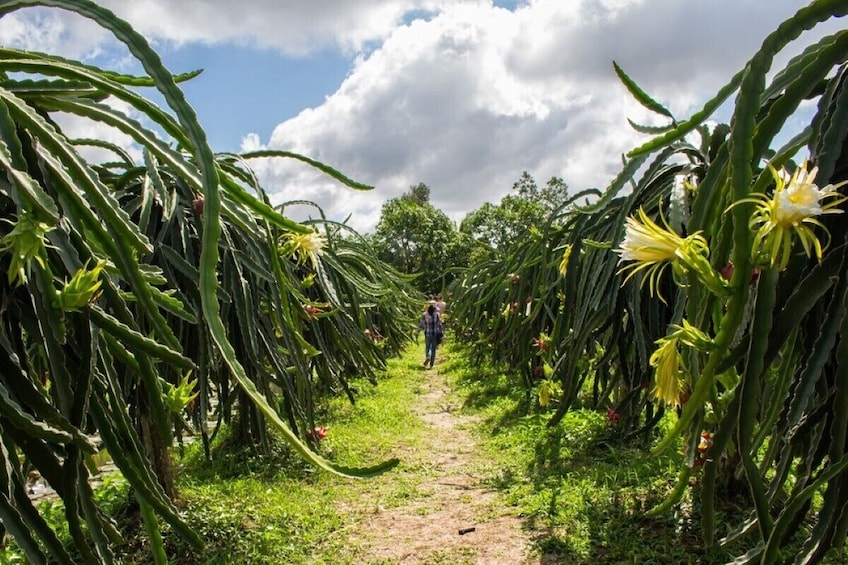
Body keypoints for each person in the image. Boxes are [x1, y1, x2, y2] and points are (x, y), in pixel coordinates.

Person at [419, 303, 443, 368]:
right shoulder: (437, 315)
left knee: (428, 347)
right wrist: (441, 333)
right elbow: (439, 324)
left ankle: (428, 356)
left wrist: (423, 328)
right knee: (433, 349)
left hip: (427, 334)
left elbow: (421, 324)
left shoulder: (424, 315)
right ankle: (431, 365)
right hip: (435, 334)